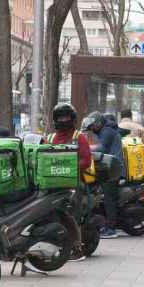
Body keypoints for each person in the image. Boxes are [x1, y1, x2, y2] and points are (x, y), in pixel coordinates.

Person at [47, 104, 92, 261]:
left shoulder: (79, 137)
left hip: (73, 183)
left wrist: (67, 168)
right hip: (52, 184)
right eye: (60, 118)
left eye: (66, 117)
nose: (63, 120)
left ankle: (77, 247)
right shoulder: (50, 138)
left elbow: (86, 161)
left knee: (71, 214)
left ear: (72, 119)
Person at [85, 111, 123, 239]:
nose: (91, 129)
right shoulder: (107, 130)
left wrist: (85, 149)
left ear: (98, 123)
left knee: (109, 199)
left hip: (112, 170)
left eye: (92, 127)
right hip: (112, 167)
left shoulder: (106, 131)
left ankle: (111, 229)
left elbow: (102, 148)